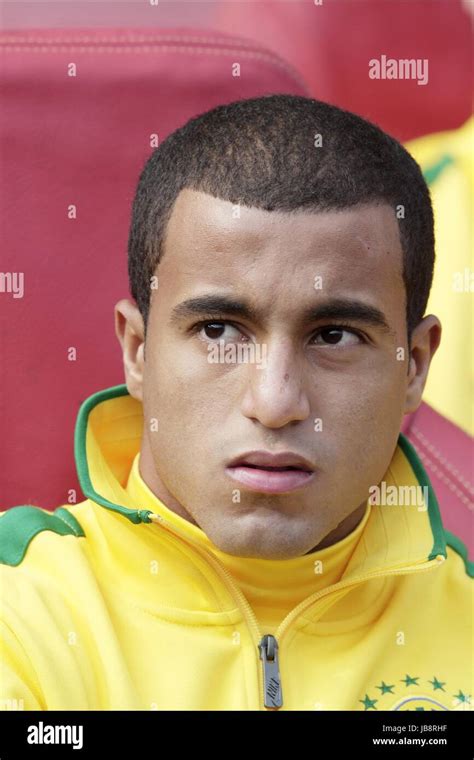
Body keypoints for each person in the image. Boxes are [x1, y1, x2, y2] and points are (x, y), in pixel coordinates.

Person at [0, 95, 471, 711]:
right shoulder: (18, 612)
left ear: (414, 366)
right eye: (220, 330)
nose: (275, 403)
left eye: (334, 335)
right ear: (138, 350)